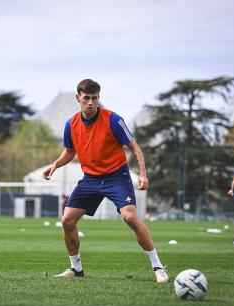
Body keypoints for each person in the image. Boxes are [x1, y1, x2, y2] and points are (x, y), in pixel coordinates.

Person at [42, 79, 168, 283]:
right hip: (90, 179)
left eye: (94, 98)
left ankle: (158, 266)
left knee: (129, 217)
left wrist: (143, 174)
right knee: (67, 220)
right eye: (86, 99)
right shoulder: (71, 124)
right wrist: (55, 165)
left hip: (116, 176)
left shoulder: (113, 120)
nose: (90, 103)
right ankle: (76, 268)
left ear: (98, 98)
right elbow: (69, 151)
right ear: (78, 99)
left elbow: (135, 147)